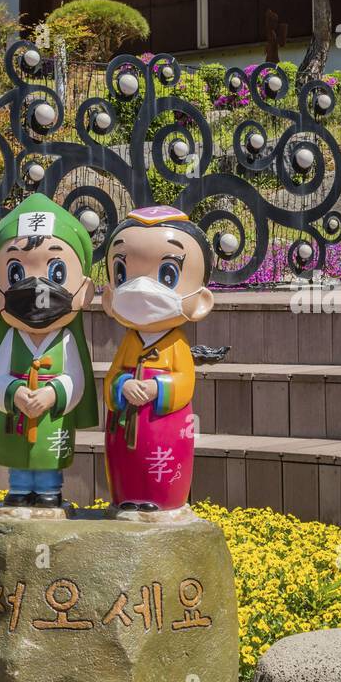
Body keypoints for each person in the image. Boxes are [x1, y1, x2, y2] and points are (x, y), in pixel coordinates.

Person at [0, 193, 98, 507]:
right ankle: (18, 490)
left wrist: (53, 393)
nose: (38, 289)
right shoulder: (10, 339)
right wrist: (14, 391)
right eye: (16, 273)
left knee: (47, 461)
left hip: (51, 416)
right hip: (15, 418)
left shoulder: (66, 341)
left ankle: (49, 491)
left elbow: (75, 378)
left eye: (56, 273)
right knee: (19, 461)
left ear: (84, 292)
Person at [101, 206, 225, 513]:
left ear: (201, 302)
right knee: (126, 462)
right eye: (123, 272)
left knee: (161, 460)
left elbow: (185, 381)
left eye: (167, 275)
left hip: (163, 424)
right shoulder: (130, 341)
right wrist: (123, 385)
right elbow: (112, 378)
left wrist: (159, 388)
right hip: (126, 422)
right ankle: (126, 496)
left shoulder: (176, 343)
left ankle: (164, 499)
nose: (142, 289)